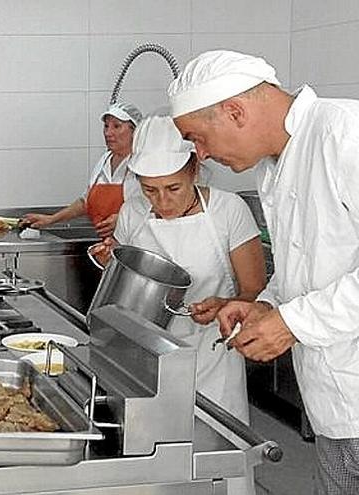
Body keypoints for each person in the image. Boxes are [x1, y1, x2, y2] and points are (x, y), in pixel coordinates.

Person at [168, 49, 359, 495]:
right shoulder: (275, 166)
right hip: (335, 408)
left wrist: (292, 323)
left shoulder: (345, 134)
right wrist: (265, 306)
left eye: (198, 138)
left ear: (235, 111)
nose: (202, 155)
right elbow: (308, 268)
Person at [91, 115, 266, 495]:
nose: (163, 202)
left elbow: (255, 290)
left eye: (173, 188)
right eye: (151, 190)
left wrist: (226, 304)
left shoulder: (228, 211)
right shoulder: (134, 212)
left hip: (211, 359)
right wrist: (110, 261)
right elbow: (124, 275)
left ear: (195, 170)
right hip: (145, 362)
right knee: (154, 470)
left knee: (217, 466)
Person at [23, 101, 142, 238]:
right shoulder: (104, 161)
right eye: (106, 126)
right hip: (104, 244)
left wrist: (124, 220)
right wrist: (51, 219)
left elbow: (155, 208)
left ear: (135, 131)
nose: (108, 133)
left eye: (116, 126)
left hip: (131, 245)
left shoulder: (142, 164)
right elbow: (85, 203)